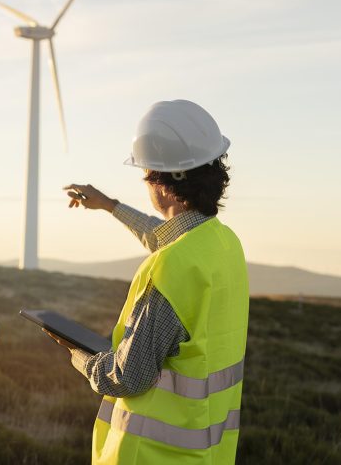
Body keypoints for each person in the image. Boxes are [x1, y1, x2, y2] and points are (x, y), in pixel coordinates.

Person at [53, 99, 249, 464]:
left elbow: (127, 377)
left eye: (146, 174)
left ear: (165, 182)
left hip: (151, 455)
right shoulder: (224, 244)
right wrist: (110, 205)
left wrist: (79, 356)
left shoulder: (171, 268)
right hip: (209, 453)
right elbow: (169, 236)